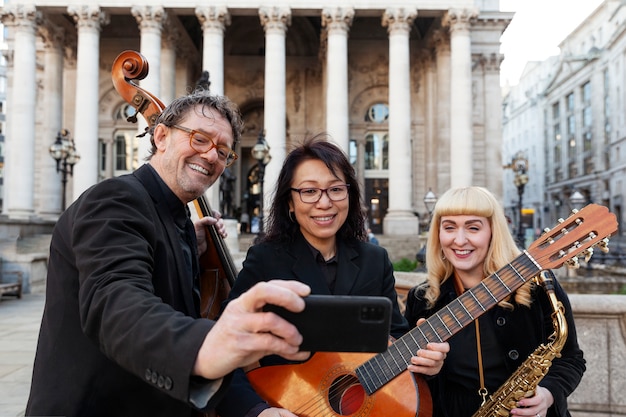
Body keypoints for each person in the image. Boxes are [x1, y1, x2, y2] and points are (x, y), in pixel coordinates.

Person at [25, 89, 313, 417]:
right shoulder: (114, 199)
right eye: (200, 138)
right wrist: (206, 345)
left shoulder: (177, 221)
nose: (211, 156)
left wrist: (189, 244)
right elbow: (117, 306)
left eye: (223, 151)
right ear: (161, 136)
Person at [216, 136, 448, 417]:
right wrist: (257, 411)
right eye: (309, 192)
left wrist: (426, 364)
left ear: (349, 195)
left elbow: (394, 337)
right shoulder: (265, 260)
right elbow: (223, 343)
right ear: (290, 202)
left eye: (335, 189)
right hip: (284, 405)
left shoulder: (375, 260)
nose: (324, 203)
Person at [404, 186, 586, 417]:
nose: (459, 240)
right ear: (438, 235)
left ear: (493, 231)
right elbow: (409, 384)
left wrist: (547, 395)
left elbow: (571, 359)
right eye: (449, 227)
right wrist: (429, 371)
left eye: (473, 227)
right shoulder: (422, 299)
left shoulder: (537, 285)